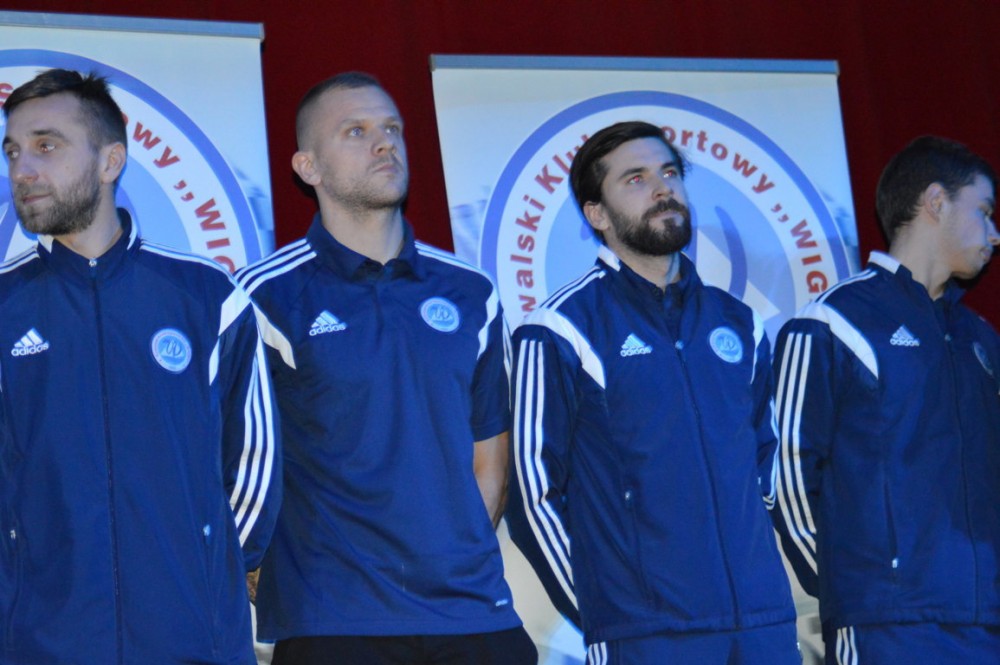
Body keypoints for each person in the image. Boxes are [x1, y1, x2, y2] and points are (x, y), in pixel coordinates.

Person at [237, 71, 535, 664]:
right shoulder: (261, 297)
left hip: (473, 613)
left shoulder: (471, 291)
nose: (384, 143)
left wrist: (449, 563)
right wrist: (254, 564)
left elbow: (490, 461)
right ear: (308, 167)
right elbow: (234, 461)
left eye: (392, 128)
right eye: (356, 131)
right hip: (334, 621)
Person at [0, 69, 280, 663]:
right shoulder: (5, 306)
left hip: (194, 640)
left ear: (111, 162)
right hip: (42, 644)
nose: (22, 169)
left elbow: (253, 461)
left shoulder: (207, 297)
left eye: (46, 146)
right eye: (13, 151)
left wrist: (205, 567)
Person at [505, 120, 798, 664]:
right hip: (645, 634)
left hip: (763, 625)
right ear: (597, 214)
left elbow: (768, 464)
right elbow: (531, 490)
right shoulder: (561, 328)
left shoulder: (739, 323)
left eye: (669, 173)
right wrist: (606, 609)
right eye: (635, 179)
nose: (663, 189)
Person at [772, 135, 1000, 664]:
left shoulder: (980, 340)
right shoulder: (834, 321)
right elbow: (787, 471)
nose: (994, 233)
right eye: (984, 212)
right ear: (936, 202)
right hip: (885, 625)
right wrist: (853, 588)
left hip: (985, 621)